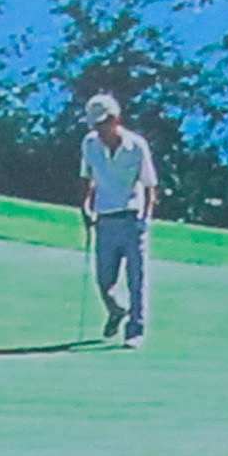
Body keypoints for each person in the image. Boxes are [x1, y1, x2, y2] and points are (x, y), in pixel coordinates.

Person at [80, 91, 159, 343]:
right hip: (104, 218)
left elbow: (149, 185)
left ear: (115, 119)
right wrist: (86, 206)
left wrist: (145, 219)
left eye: (102, 123)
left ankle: (135, 331)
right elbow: (88, 179)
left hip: (132, 216)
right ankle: (117, 310)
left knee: (137, 280)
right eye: (95, 124)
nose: (98, 129)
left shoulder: (136, 145)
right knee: (105, 281)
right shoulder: (89, 144)